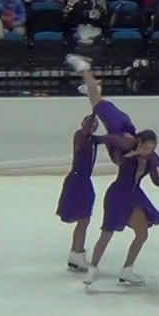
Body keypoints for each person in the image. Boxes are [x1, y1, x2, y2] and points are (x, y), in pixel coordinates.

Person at [82, 130, 159, 287]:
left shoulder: (149, 159)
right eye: (145, 146)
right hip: (117, 194)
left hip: (135, 196)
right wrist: (132, 151)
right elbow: (119, 159)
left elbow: (155, 178)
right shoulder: (126, 154)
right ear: (139, 142)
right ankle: (93, 267)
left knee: (142, 233)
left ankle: (127, 269)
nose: (147, 150)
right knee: (107, 232)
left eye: (150, 148)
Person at [57, 114, 104, 272]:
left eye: (96, 123)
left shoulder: (92, 139)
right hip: (78, 181)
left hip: (83, 180)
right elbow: (85, 130)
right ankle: (78, 252)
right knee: (83, 219)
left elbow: (110, 139)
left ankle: (75, 253)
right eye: (90, 122)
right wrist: (95, 109)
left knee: (84, 219)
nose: (93, 125)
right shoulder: (80, 135)